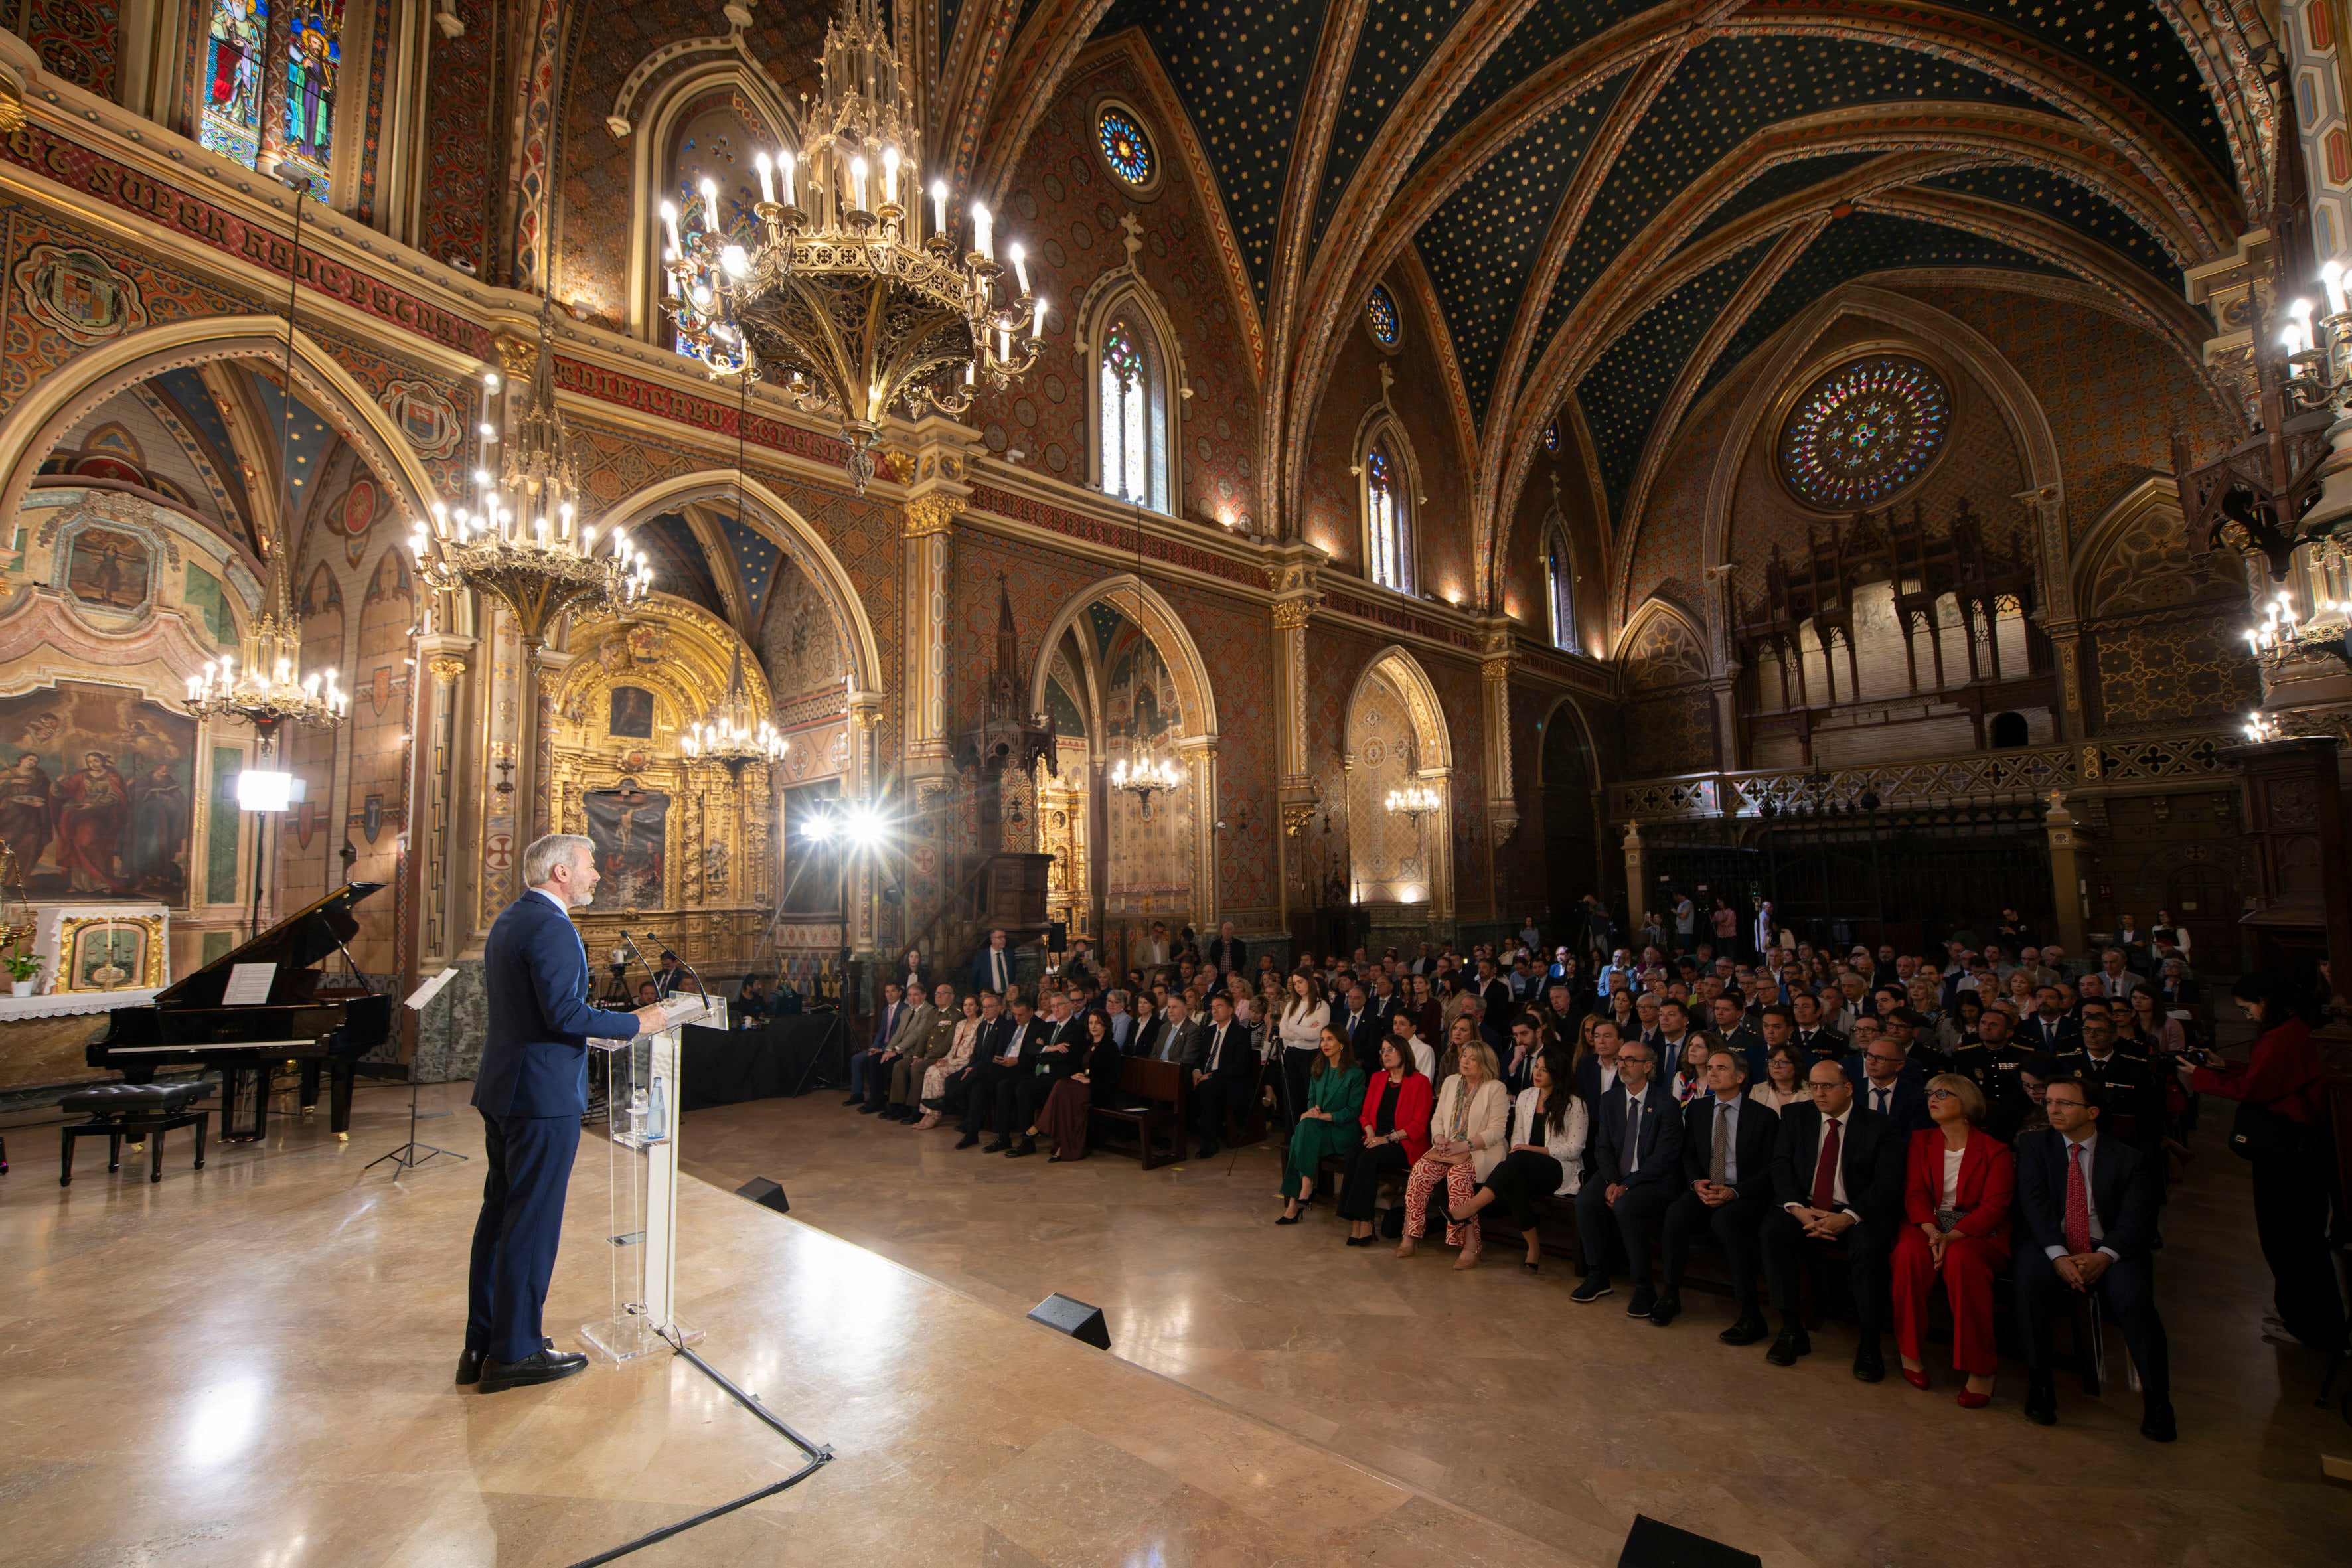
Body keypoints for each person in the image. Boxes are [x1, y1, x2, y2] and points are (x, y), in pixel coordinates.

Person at [464, 833, 667, 1393]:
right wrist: (636, 1023)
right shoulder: (552, 926)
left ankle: (483, 1343)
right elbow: (563, 1014)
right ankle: (515, 1353)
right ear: (560, 872)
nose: (596, 874)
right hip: (541, 1095)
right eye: (589, 865)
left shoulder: (511, 919)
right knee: (531, 1223)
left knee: (500, 1218)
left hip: (506, 1089)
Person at [2182, 973, 2345, 1352]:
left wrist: (2201, 1076)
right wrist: (2223, 1067)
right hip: (2294, 1151)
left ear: (2267, 1001)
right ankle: (2299, 1314)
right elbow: (2269, 1077)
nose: (2249, 1016)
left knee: (2289, 1240)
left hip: (2289, 1153)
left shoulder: (2284, 1036)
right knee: (2292, 1239)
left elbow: (2256, 1089)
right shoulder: (2293, 1028)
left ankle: (2311, 1328)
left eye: (2248, 1008)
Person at [2013, 1075, 2175, 1439]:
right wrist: (2058, 1255)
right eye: (2049, 1102)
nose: (2053, 1109)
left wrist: (2104, 1256)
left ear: (2092, 1112)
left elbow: (2137, 1219)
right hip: (2051, 1242)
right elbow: (2034, 1205)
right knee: (2029, 1284)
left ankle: (2158, 1400)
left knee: (2133, 1300)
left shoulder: (2129, 1157)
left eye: (2065, 1103)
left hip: (2109, 1246)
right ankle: (2040, 1384)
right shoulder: (2035, 1145)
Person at [1760, 1060, 1907, 1381]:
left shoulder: (1881, 1126)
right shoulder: (1796, 1115)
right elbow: (1780, 1166)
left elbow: (1887, 1184)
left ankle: (1869, 1343)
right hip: (1806, 1208)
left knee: (1870, 1249)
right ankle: (1792, 1330)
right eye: (1813, 1086)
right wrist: (1797, 1209)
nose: (1819, 1093)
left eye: (1827, 1086)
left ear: (1848, 1088)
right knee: (1773, 1232)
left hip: (1856, 1212)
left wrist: (1848, 1217)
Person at [1889, 1074, 2013, 1406]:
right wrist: (1933, 1232)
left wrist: (1953, 1236)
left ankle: (1980, 1366)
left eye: (1943, 1094)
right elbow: (1915, 1192)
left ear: (1967, 1102)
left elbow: (1994, 1207)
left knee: (1962, 1260)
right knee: (1909, 1254)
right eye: (1931, 1093)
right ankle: (1909, 1351)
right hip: (1928, 1223)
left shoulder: (1995, 1150)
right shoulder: (1920, 1141)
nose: (1933, 1098)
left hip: (1976, 1230)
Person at [1656, 1048, 1779, 1338]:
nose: (1712, 1073)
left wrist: (1735, 1191)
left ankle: (1750, 1313)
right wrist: (1696, 1182)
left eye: (1721, 1068)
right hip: (1707, 1187)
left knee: (1725, 1221)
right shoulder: (1698, 1109)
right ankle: (1670, 1295)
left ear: (1740, 1077)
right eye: (1710, 1068)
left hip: (1744, 1192)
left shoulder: (1763, 1116)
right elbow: (1688, 1155)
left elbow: (1771, 1168)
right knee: (1676, 1213)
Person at [1444, 1042, 1586, 1271]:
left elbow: (1575, 1149)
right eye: (1536, 1067)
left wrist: (1532, 1151)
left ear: (1557, 1073)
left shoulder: (1574, 1104)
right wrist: (1524, 1150)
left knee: (1519, 1158)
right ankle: (1534, 1248)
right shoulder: (1526, 1097)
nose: (1537, 1073)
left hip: (1560, 1169)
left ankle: (1471, 1207)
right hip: (1525, 1166)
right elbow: (1518, 1137)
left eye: (1544, 1070)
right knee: (1513, 1181)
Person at [1571, 1040, 1683, 1311]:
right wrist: (1612, 1181)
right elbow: (1603, 1147)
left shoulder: (1666, 1104)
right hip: (1616, 1175)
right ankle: (1598, 1274)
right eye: (1620, 1060)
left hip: (1651, 1179)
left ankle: (1644, 1286)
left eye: (1630, 1060)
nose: (1623, 1065)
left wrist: (1626, 1185)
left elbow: (1664, 1158)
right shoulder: (1610, 1100)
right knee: (1585, 1201)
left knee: (1626, 1205)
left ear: (1648, 1067)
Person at [1399, 1039, 1509, 1268]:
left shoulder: (1495, 1088)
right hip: (1448, 1148)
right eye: (1464, 1056)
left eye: (1472, 1058)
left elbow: (1497, 1131)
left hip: (1480, 1151)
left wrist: (1464, 1146)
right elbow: (1437, 1117)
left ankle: (1470, 1245)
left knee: (1458, 1177)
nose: (1465, 1061)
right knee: (1420, 1172)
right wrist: (1439, 1138)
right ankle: (1410, 1234)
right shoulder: (1450, 1082)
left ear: (1484, 1063)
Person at [1338, 1039, 1433, 1246]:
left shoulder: (1420, 1082)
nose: (1386, 1054)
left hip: (1403, 1142)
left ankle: (1365, 1221)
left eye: (1391, 1049)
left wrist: (1387, 1139)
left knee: (1368, 1158)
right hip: (1376, 1137)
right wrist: (1371, 1133)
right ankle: (1355, 1220)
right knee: (1352, 1154)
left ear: (1404, 1052)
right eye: (1383, 1050)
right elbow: (1365, 1115)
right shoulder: (1378, 1078)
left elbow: (1418, 1126)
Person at [1277, 1026, 1366, 1221]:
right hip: (1318, 1127)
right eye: (1323, 1039)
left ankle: (1296, 1200)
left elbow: (1353, 1111)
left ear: (1342, 1044)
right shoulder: (1318, 1068)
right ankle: (1304, 1188)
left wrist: (1324, 1116)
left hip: (1342, 1130)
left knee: (1298, 1139)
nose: (1325, 1043)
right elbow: (1311, 1099)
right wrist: (1313, 1111)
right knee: (1304, 1129)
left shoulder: (1355, 1074)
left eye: (1330, 1039)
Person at [1037, 1008, 1122, 1161]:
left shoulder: (1110, 1046)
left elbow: (1113, 1077)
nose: (1093, 1026)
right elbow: (1079, 1065)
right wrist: (1078, 1074)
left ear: (1105, 1025)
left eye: (1097, 1023)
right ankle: (1062, 1145)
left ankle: (1040, 1127)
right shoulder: (1087, 1044)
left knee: (1063, 1089)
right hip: (1082, 1086)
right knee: (1062, 1086)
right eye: (1091, 1023)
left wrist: (1090, 1080)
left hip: (1099, 1090)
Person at [957, 992, 1036, 1150]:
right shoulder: (1013, 1024)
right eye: (1014, 1014)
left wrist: (1017, 1061)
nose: (1017, 1018)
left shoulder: (1037, 1026)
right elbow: (1001, 1049)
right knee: (978, 1085)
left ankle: (952, 1095)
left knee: (984, 1071)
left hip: (1021, 1070)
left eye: (1020, 1015)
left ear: (1031, 1012)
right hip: (1004, 1066)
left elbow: (1034, 1054)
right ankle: (972, 1134)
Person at [1190, 992, 1256, 1158]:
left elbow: (1239, 1067)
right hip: (1208, 1077)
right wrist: (1197, 1072)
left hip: (1231, 1081)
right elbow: (1200, 1058)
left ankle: (1210, 1142)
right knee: (1183, 1082)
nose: (1215, 1011)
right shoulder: (1209, 1031)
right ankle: (1194, 1129)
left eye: (1219, 1007)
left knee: (1206, 1088)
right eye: (1212, 1007)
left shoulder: (1240, 1033)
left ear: (1230, 1010)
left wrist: (1211, 1075)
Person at [881, 982, 957, 1120]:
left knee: (917, 1068)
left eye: (943, 993)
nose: (938, 996)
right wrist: (917, 1055)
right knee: (899, 1066)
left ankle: (915, 1109)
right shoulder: (933, 1013)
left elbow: (948, 1043)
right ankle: (898, 1105)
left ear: (952, 996)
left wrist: (926, 1057)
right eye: (937, 994)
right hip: (925, 1054)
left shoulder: (955, 1015)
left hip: (941, 1057)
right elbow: (923, 1037)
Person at [860, 980, 937, 1115]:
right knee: (873, 1060)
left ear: (924, 996)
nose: (912, 998)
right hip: (899, 1049)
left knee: (890, 1064)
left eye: (916, 995)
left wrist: (896, 1050)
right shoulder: (906, 1012)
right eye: (910, 995)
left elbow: (916, 1035)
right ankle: (877, 1099)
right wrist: (888, 1050)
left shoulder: (929, 1011)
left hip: (913, 1051)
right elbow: (897, 1034)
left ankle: (894, 1103)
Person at [915, 992, 982, 1129]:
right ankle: (928, 1113)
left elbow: (972, 1052)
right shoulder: (960, 1024)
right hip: (952, 1060)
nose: (967, 1008)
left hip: (964, 1063)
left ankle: (936, 1115)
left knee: (939, 1074)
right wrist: (944, 1059)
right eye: (965, 1005)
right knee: (930, 1070)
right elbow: (953, 1048)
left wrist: (950, 1063)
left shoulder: (980, 1025)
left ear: (977, 1007)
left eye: (971, 1005)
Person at [1750, 1041, 1810, 1113]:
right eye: (1772, 1062)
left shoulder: (1811, 1092)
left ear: (1796, 1066)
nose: (1776, 1067)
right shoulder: (1757, 1090)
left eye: (1782, 1062)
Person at [971, 927, 1016, 994]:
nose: (1003, 940)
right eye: (1000, 937)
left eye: (1004, 937)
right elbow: (974, 977)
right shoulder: (982, 955)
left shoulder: (1009, 954)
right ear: (992, 940)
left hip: (1006, 995)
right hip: (989, 995)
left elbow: (1013, 974)